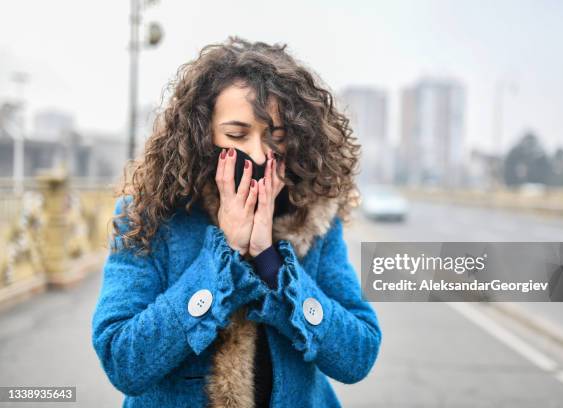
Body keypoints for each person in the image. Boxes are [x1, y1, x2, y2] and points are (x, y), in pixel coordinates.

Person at [91, 36, 382, 408]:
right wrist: (222, 256)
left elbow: (358, 355)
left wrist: (270, 263)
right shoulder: (148, 215)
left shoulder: (313, 217)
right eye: (237, 134)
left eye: (275, 137)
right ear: (202, 134)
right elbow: (124, 363)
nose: (258, 153)